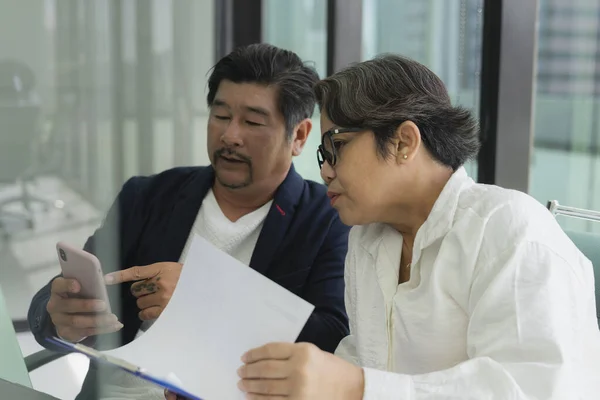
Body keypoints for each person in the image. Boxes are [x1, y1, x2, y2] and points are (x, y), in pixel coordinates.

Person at [233, 55, 600, 399]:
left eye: (337, 145)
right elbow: (365, 362)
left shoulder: (509, 232)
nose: (325, 170)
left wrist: (357, 386)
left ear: (404, 142)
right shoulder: (368, 239)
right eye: (322, 154)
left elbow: (532, 389)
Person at [28, 43, 350, 400]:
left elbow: (332, 338)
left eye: (253, 122)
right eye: (221, 115)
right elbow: (61, 294)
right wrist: (58, 314)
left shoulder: (328, 220)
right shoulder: (148, 196)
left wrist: (204, 297)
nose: (230, 136)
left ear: (300, 136)